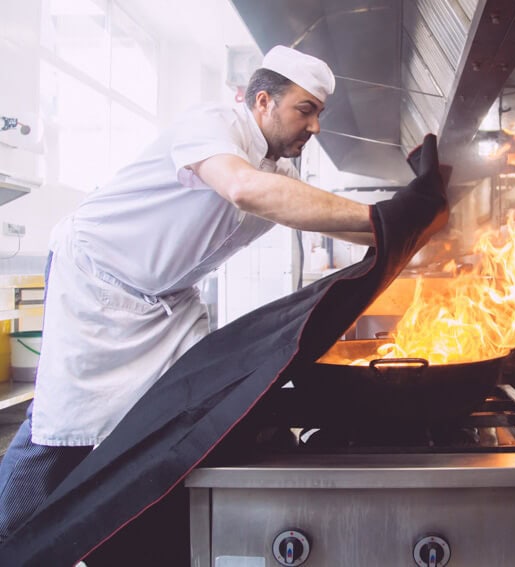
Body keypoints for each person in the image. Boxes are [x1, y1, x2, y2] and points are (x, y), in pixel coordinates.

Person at [0, 45, 390, 543]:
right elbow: (242, 189)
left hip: (168, 302)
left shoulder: (278, 172)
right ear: (264, 101)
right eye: (305, 110)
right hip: (97, 280)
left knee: (194, 405)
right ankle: (12, 539)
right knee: (60, 425)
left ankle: (147, 533)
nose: (314, 127)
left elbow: (343, 223)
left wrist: (403, 225)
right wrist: (383, 221)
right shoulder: (213, 125)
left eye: (319, 114)